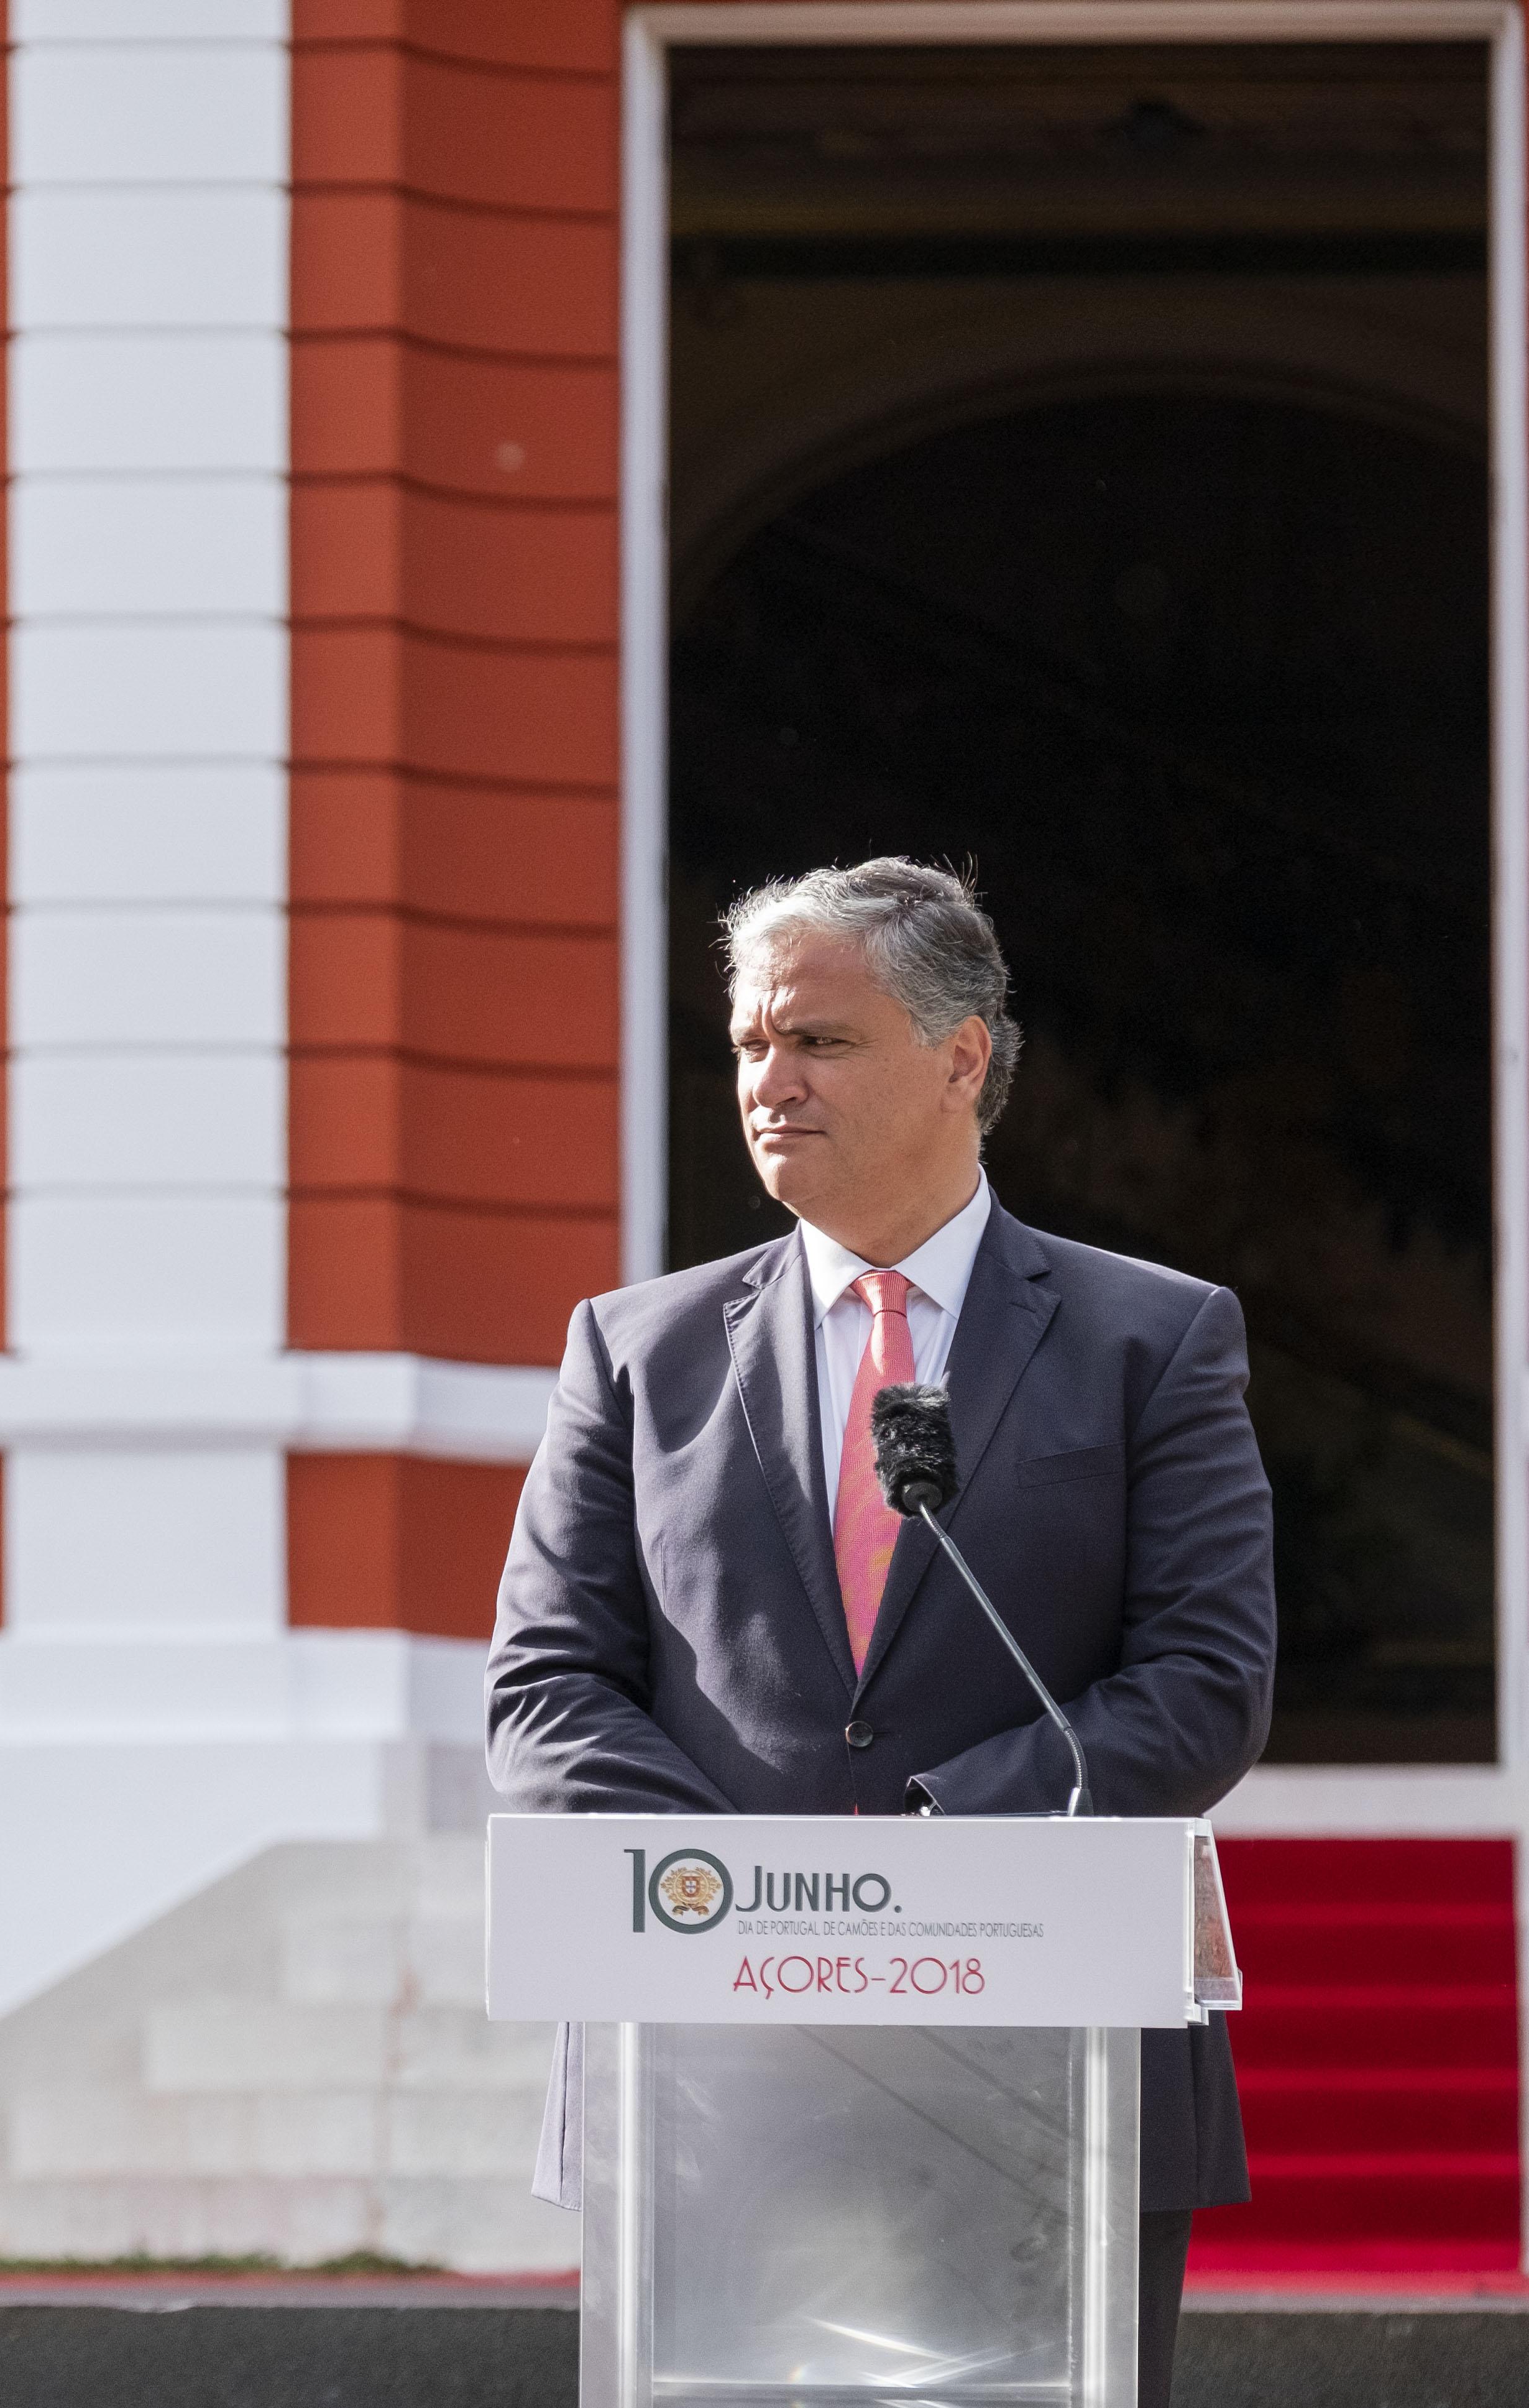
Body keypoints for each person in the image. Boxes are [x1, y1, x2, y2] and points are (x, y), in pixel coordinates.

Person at [487, 859, 1272, 2408]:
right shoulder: (633, 1350)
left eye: (820, 1042)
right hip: (709, 2073)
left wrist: (921, 1867)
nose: (768, 1084)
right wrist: (752, 1910)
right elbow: (545, 1691)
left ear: (962, 1054)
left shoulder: (1153, 1340)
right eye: (746, 1046)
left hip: (1049, 2059)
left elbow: (1203, 1683)